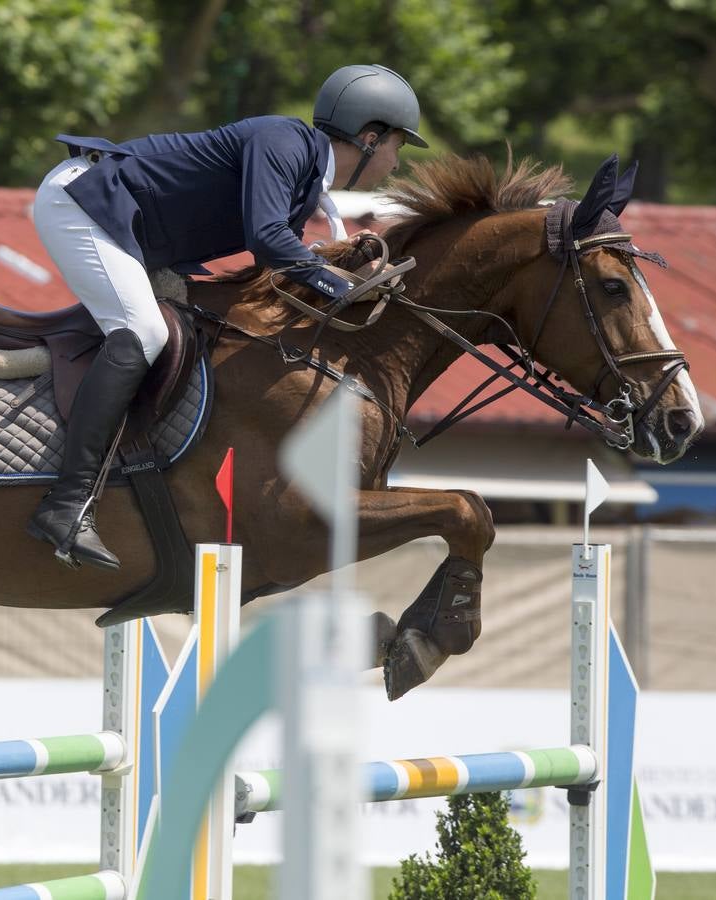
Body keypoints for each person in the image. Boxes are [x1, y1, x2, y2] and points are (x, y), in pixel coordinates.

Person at [28, 64, 427, 569]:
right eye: (399, 147)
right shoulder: (284, 141)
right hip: (85, 202)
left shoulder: (307, 179)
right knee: (142, 333)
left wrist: (350, 268)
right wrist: (341, 284)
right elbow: (267, 239)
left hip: (127, 228)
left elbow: (292, 252)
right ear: (370, 137)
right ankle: (66, 503)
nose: (396, 163)